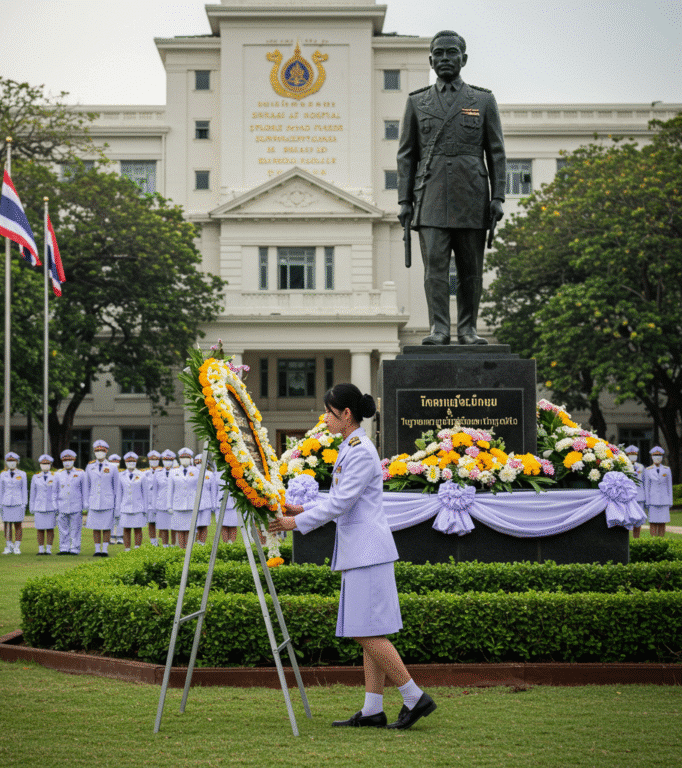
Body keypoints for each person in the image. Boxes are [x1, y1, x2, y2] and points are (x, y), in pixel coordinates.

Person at [269, 383, 436, 730]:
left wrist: (293, 522)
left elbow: (342, 503)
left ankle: (413, 696)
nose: (325, 419)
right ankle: (373, 709)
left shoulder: (359, 450)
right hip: (362, 551)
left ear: (346, 415)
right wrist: (303, 506)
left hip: (367, 552)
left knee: (366, 633)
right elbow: (342, 496)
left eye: (329, 413)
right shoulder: (352, 446)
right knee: (368, 630)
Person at [397, 30, 506, 345]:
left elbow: (496, 152)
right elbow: (406, 156)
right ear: (431, 61)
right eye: (439, 54)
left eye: (451, 52)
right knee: (435, 269)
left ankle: (468, 329)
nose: (445, 58)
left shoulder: (482, 100)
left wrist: (498, 197)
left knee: (470, 269)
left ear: (464, 58)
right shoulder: (417, 102)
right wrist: (405, 201)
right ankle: (440, 329)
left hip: (472, 195)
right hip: (430, 196)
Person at [85, 439, 120, 557]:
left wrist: (117, 504)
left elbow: (116, 487)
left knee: (106, 527)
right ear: (94, 452)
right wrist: (86, 501)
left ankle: (104, 549)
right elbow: (87, 485)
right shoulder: (89, 467)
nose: (100, 452)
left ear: (106, 452)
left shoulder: (112, 467)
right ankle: (96, 549)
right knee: (95, 527)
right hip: (94, 501)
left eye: (102, 450)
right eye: (97, 451)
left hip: (107, 501)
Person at [54, 449, 87, 555]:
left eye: (70, 460)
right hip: (62, 504)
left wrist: (85, 504)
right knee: (63, 528)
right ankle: (64, 548)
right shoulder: (58, 474)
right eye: (65, 460)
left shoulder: (80, 473)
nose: (67, 462)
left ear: (74, 460)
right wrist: (55, 505)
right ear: (62, 461)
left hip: (76, 504)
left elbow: (84, 490)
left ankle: (75, 548)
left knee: (76, 528)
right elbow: (54, 491)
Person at [0, 452, 27, 555]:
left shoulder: (22, 474)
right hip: (6, 502)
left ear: (17, 462)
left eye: (13, 461)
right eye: (9, 461)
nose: (11, 463)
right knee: (7, 525)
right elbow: (1, 490)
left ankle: (17, 547)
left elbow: (24, 490)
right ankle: (8, 546)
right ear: (6, 462)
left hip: (18, 502)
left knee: (18, 524)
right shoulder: (3, 474)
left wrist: (24, 503)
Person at [118, 451, 147, 551]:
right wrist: (118, 508)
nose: (131, 463)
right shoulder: (120, 475)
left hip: (138, 506)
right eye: (129, 461)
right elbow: (119, 493)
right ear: (125, 462)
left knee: (138, 528)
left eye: (133, 461)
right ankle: (127, 548)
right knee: (126, 529)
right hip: (125, 506)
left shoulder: (142, 475)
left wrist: (145, 508)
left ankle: (137, 547)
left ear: (136, 462)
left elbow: (145, 493)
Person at [29, 454, 57, 555]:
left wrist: (56, 506)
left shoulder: (55, 476)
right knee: (40, 529)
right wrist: (31, 506)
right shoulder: (36, 477)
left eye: (47, 463)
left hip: (51, 506)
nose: (45, 465)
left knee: (50, 529)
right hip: (39, 506)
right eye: (43, 463)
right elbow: (33, 493)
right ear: (40, 464)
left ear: (50, 464)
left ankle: (48, 549)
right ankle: (41, 549)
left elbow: (57, 492)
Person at [171, 447, 198, 550]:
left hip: (191, 504)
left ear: (190, 459)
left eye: (187, 457)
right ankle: (181, 548)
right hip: (178, 505)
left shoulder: (196, 471)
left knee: (190, 529)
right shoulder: (174, 472)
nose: (185, 459)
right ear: (179, 459)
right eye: (182, 458)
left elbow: (198, 488)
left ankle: (190, 549)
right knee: (180, 529)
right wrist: (169, 505)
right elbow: (170, 490)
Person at [643, 446, 673, 538]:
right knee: (652, 522)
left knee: (662, 522)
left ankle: (661, 541)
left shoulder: (667, 469)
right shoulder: (647, 470)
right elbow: (647, 487)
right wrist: (647, 502)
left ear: (662, 456)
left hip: (664, 500)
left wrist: (670, 501)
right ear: (652, 456)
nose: (657, 457)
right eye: (655, 455)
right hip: (652, 500)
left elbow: (669, 486)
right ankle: (653, 542)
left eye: (659, 455)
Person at [154, 449, 176, 547]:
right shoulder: (157, 473)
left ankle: (174, 544)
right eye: (166, 460)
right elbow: (155, 490)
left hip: (174, 503)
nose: (168, 462)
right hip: (161, 502)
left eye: (170, 460)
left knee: (174, 526)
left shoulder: (176, 472)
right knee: (163, 526)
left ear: (173, 461)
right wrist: (154, 504)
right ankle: (164, 544)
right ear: (162, 461)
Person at [625, 446, 647, 539]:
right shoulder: (624, 466)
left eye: (634, 455)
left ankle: (636, 538)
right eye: (631, 455)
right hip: (628, 497)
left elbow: (645, 482)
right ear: (627, 455)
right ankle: (627, 540)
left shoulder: (641, 467)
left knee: (638, 519)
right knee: (628, 519)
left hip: (639, 496)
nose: (633, 456)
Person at [193, 453, 215, 545]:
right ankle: (194, 542)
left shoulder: (210, 474)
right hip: (193, 503)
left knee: (204, 524)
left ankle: (202, 542)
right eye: (197, 462)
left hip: (206, 503)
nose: (199, 464)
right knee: (194, 524)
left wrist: (213, 504)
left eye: (201, 462)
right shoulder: (192, 473)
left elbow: (213, 490)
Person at [145, 450, 161, 546]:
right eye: (151, 459)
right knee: (151, 522)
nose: (153, 461)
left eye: (155, 459)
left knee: (161, 522)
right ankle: (152, 541)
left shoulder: (163, 471)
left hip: (160, 500)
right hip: (149, 501)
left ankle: (160, 540)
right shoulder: (144, 473)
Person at [108, 453, 125, 545]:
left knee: (120, 518)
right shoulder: (107, 472)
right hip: (110, 497)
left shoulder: (123, 473)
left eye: (116, 461)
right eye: (112, 462)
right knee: (110, 518)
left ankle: (119, 537)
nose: (115, 463)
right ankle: (111, 536)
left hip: (121, 498)